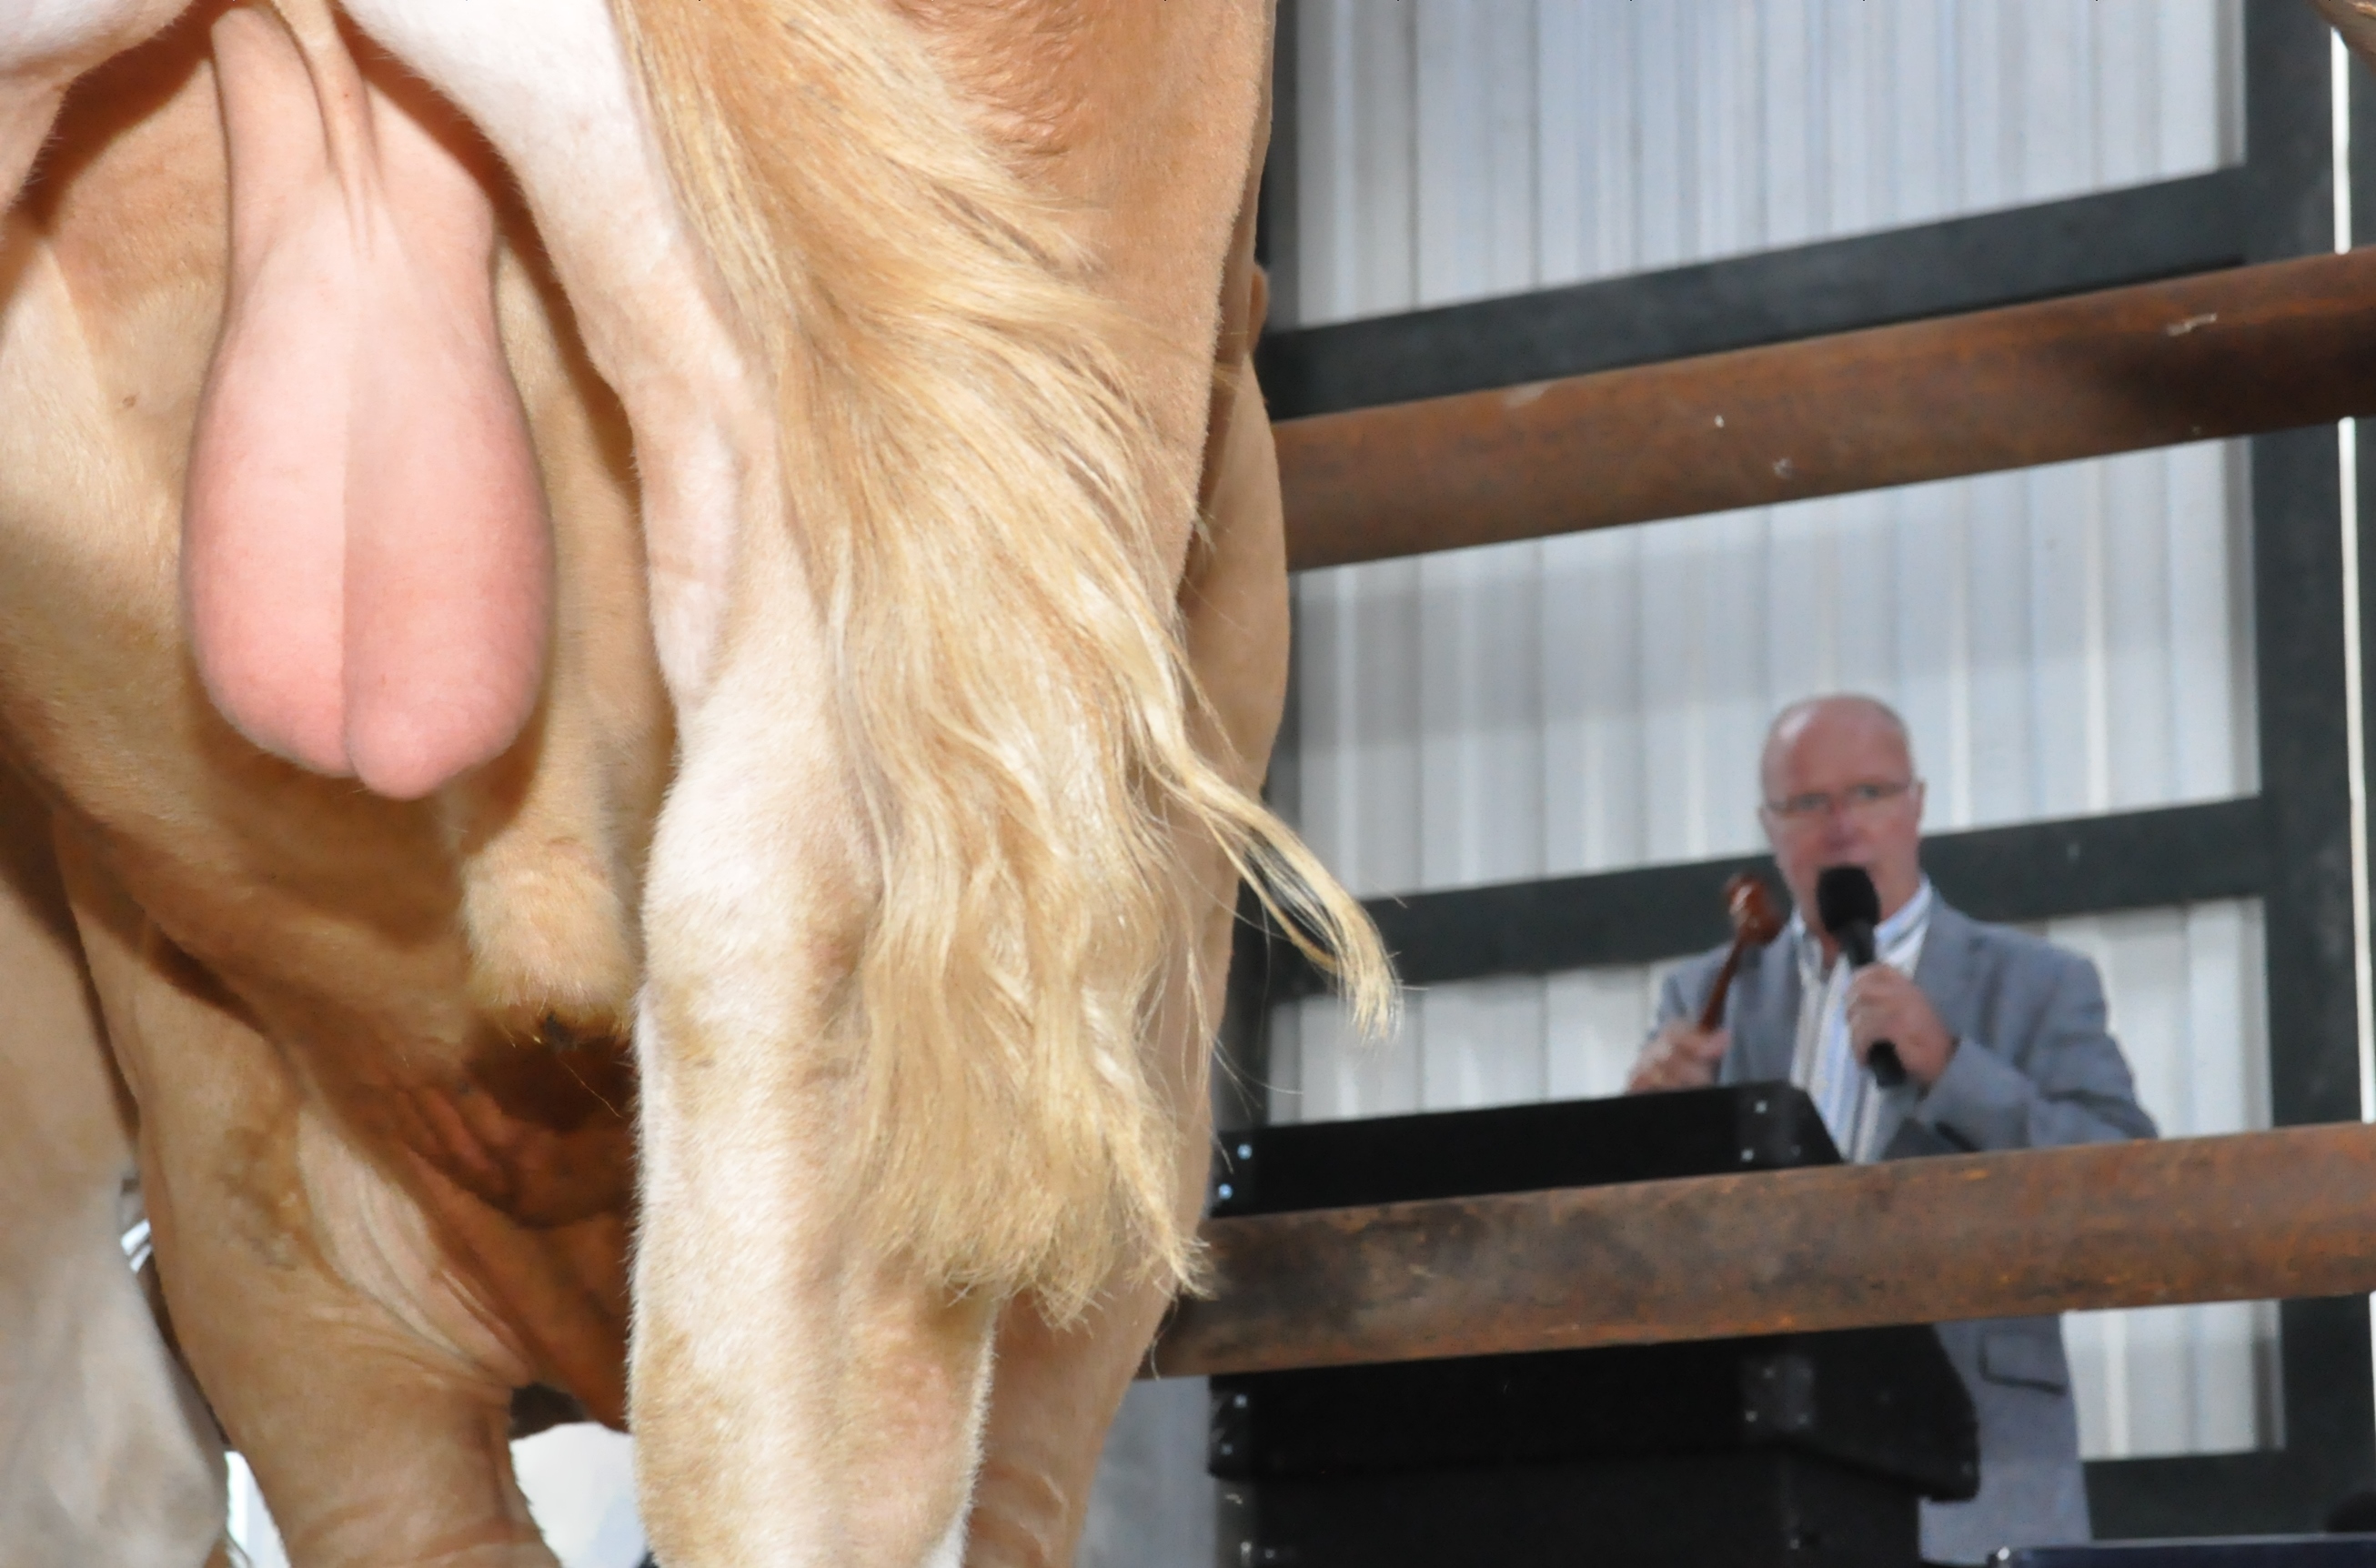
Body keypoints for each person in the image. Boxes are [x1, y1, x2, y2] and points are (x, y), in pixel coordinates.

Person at [1626, 694, 2156, 1565]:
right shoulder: (1707, 996)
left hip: (1983, 1468)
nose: (1840, 829)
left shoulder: (2039, 984)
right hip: (1767, 1465)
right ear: (1769, 825)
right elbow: (1653, 1243)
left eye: (1868, 793)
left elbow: (2129, 1184)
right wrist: (1644, 1129)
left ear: (1918, 803)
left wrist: (1952, 1065)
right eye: (1807, 804)